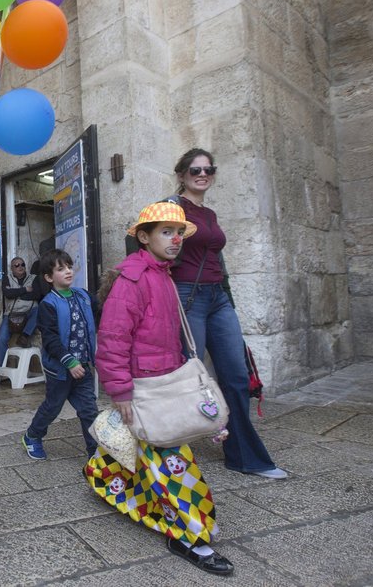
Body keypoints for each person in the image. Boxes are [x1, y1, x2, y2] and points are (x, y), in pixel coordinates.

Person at [89, 201, 233, 576]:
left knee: (150, 453)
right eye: (166, 232)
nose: (175, 240)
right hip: (145, 389)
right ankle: (190, 537)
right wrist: (120, 392)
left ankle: (103, 477)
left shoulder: (165, 274)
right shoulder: (132, 279)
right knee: (177, 468)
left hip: (164, 385)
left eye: (179, 233)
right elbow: (113, 340)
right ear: (143, 236)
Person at [171, 148, 287, 479]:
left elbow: (216, 261)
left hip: (217, 298)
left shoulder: (208, 214)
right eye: (195, 170)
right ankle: (172, 458)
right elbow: (144, 243)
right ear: (182, 174)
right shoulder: (173, 207)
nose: (202, 174)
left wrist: (228, 298)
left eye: (209, 168)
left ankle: (245, 457)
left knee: (236, 376)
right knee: (189, 378)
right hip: (187, 297)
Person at [21, 249, 99, 461]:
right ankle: (32, 435)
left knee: (89, 410)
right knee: (53, 407)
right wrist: (69, 361)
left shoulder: (83, 296)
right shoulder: (48, 304)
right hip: (60, 370)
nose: (68, 271)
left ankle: (96, 453)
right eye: (60, 268)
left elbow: (101, 313)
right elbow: (51, 339)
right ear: (48, 277)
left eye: (69, 266)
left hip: (83, 367)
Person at [0, 256, 39, 366]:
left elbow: (36, 295)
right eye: (17, 265)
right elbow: (8, 294)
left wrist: (16, 293)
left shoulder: (34, 278)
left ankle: (24, 336)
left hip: (29, 312)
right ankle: (1, 371)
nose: (20, 267)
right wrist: (25, 290)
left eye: (22, 264)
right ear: (12, 268)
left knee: (39, 310)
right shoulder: (7, 278)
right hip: (11, 314)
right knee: (1, 339)